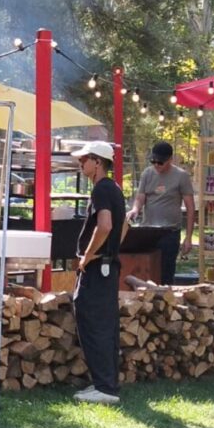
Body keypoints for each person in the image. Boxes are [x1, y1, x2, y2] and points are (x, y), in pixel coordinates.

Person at [71, 140, 126, 405]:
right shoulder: (114, 188)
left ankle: (105, 388)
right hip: (108, 265)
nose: (80, 164)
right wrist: (110, 251)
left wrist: (89, 255)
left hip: (98, 268)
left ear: (97, 162)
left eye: (84, 160)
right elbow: (124, 226)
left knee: (94, 324)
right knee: (105, 325)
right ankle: (106, 384)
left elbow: (105, 226)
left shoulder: (102, 189)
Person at [127, 140, 195, 285]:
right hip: (148, 231)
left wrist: (188, 237)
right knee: (145, 268)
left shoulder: (181, 176)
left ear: (170, 159)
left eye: (160, 162)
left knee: (165, 273)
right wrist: (135, 209)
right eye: (154, 161)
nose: (157, 165)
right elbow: (140, 197)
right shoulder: (147, 173)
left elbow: (190, 207)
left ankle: (165, 295)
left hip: (169, 232)